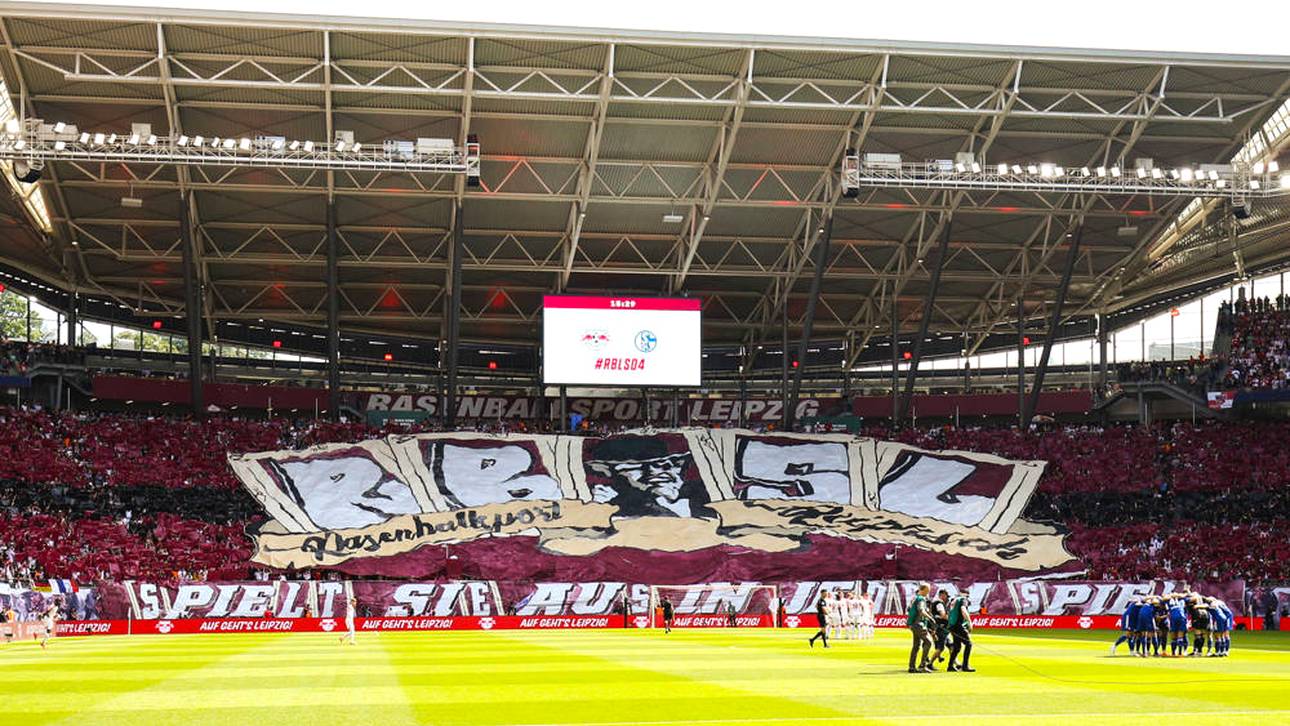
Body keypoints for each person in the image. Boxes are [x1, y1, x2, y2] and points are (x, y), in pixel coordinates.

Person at [907, 583, 934, 673]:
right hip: (918, 623)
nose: (928, 592)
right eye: (927, 590)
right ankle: (922, 665)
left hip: (913, 624)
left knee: (916, 645)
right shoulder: (921, 599)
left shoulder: (915, 598)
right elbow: (921, 610)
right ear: (923, 590)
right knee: (928, 642)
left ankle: (912, 666)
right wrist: (930, 618)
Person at [946, 590, 974, 672]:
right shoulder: (963, 600)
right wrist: (969, 622)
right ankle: (965, 666)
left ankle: (950, 666)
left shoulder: (954, 600)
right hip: (958, 625)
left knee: (957, 647)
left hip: (952, 625)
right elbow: (963, 609)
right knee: (968, 644)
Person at [927, 589, 951, 669]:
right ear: (942, 594)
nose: (947, 598)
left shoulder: (935, 603)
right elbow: (943, 615)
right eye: (946, 596)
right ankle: (930, 663)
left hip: (938, 627)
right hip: (941, 628)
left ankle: (954, 664)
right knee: (941, 647)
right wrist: (952, 620)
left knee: (951, 646)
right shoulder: (939, 604)